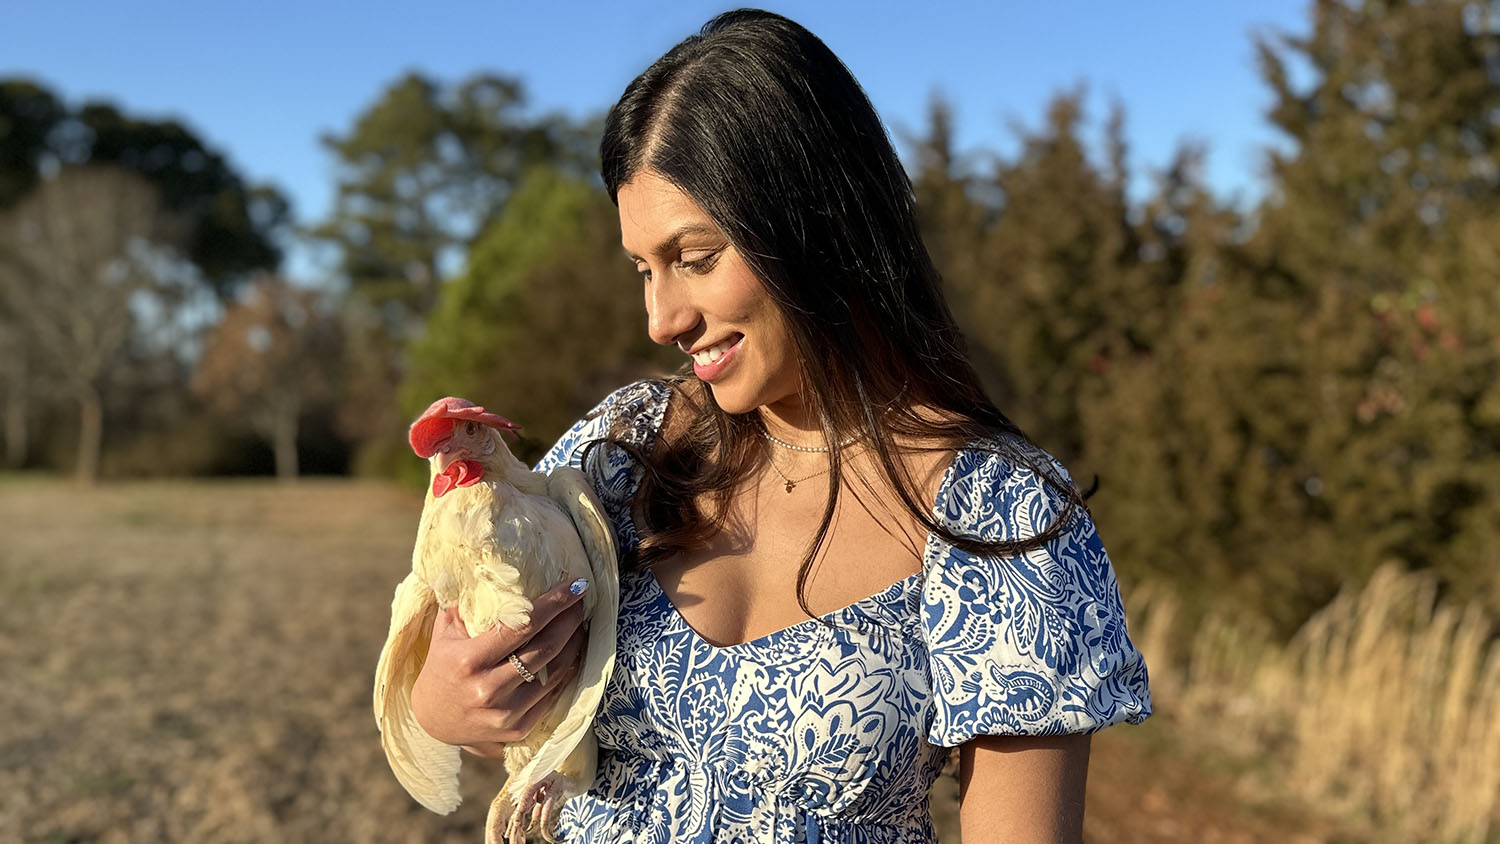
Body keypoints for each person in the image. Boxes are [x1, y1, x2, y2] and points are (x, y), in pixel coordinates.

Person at [409, 9, 1151, 842]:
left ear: (815, 224)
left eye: (694, 258)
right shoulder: (624, 450)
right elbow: (456, 684)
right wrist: (452, 699)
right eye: (642, 269)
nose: (660, 317)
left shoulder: (1002, 517)